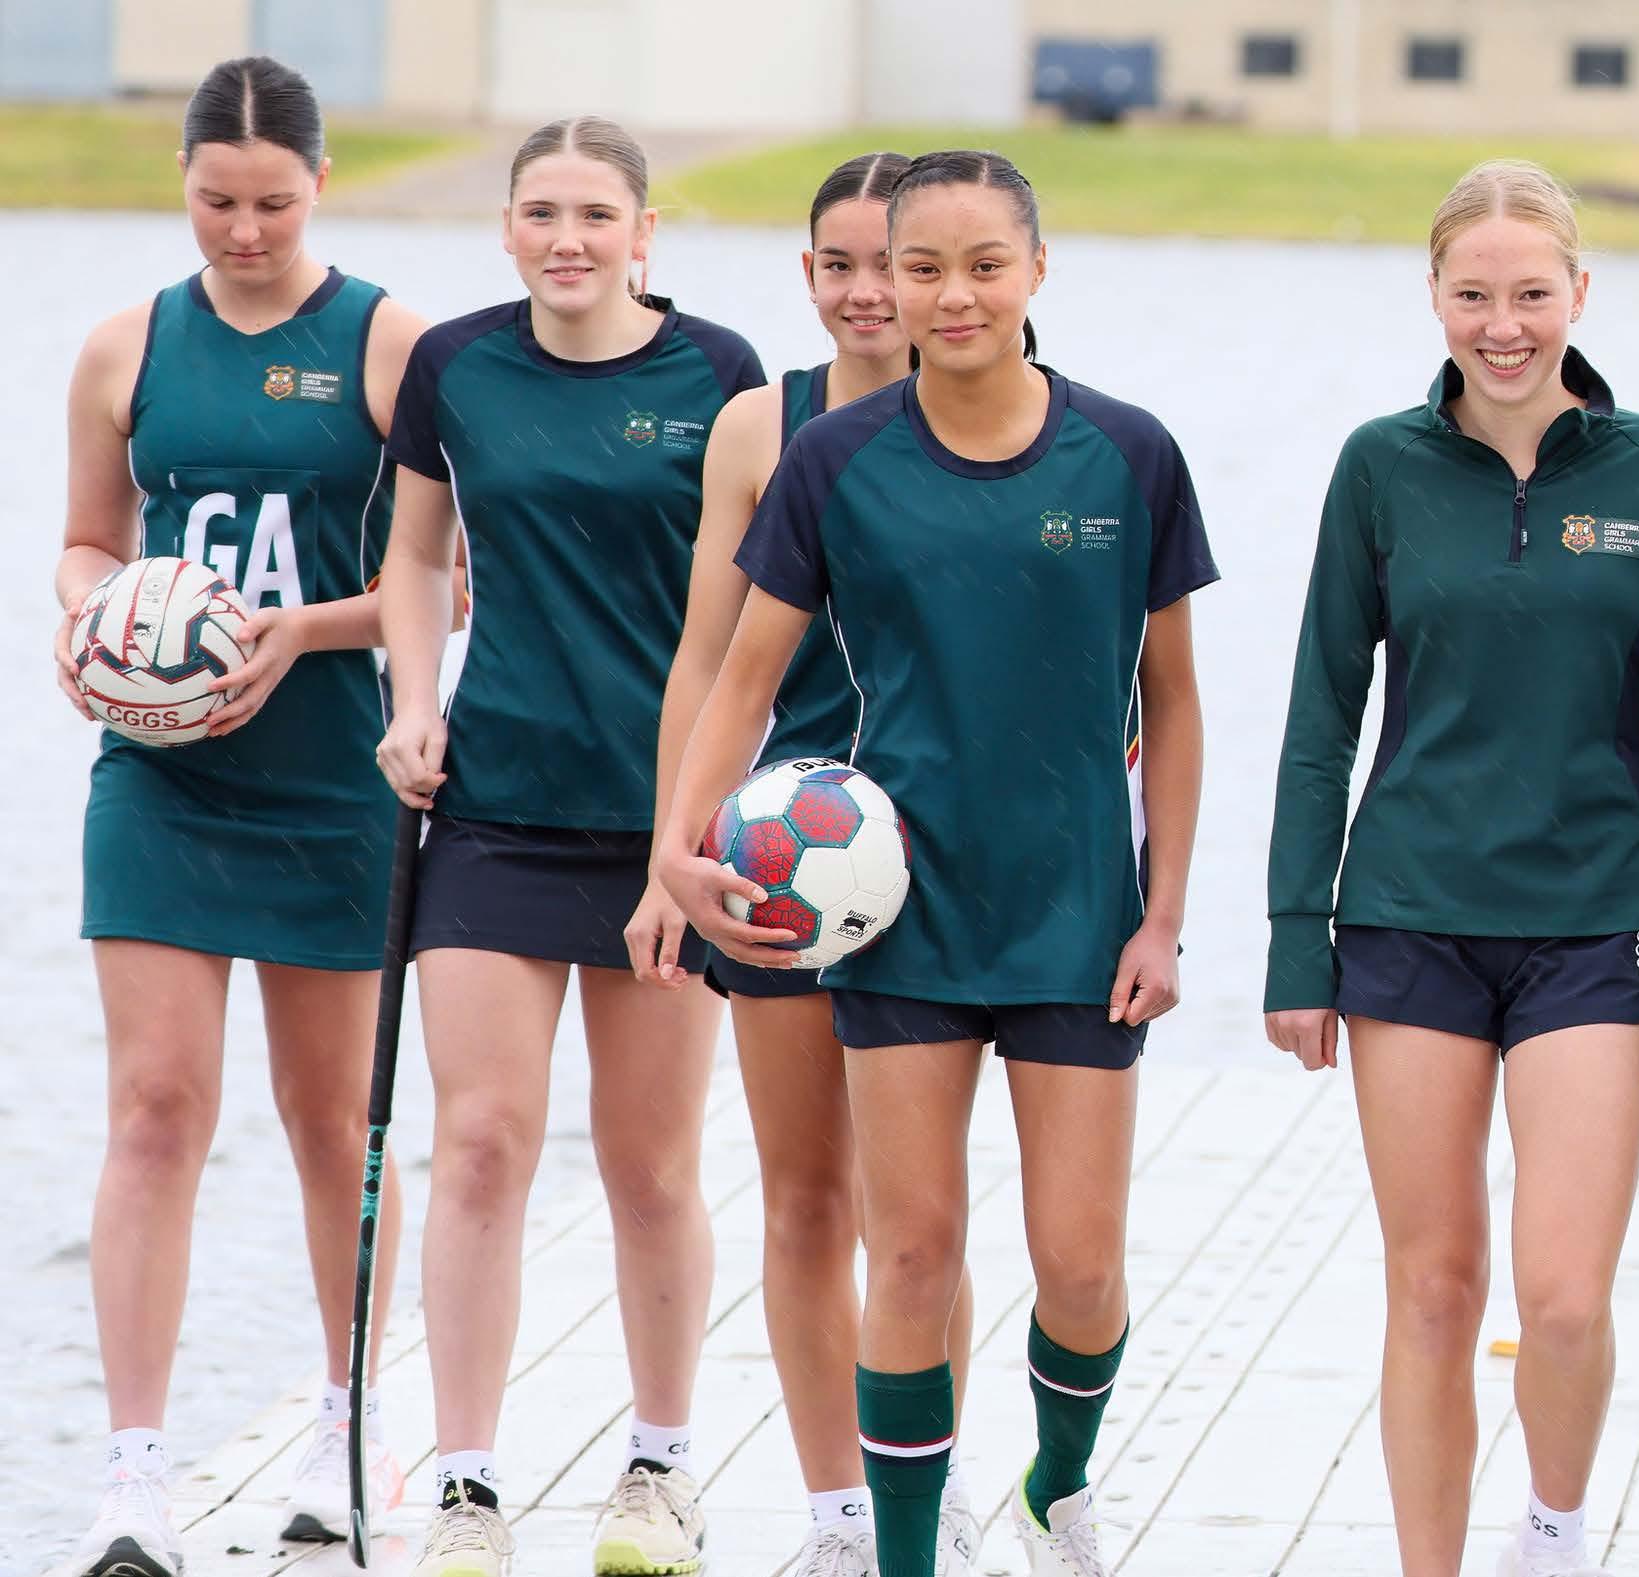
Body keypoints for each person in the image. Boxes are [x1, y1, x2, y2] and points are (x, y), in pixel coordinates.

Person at [653, 150, 1213, 1577]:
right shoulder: (834, 460)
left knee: (1079, 1263)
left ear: (1037, 271)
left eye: (982, 265)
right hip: (899, 909)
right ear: (887, 283)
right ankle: (904, 1558)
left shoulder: (1129, 454)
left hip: (1077, 913)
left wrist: (1162, 914)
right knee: (909, 1250)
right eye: (921, 268)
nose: (952, 295)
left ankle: (1056, 1484)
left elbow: (1175, 702)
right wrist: (678, 850)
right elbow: (743, 676)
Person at [1262, 158, 1639, 1577]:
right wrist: (1294, 940)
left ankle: (1552, 1534)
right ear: (1434, 296)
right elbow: (1320, 718)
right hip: (1408, 917)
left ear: (1580, 293)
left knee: (1564, 1296)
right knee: (1432, 1289)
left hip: (1594, 920)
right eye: (1473, 295)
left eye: (1531, 295)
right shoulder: (1380, 467)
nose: (1502, 325)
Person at [373, 115, 765, 1577]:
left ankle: (660, 1467)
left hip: (665, 827)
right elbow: (417, 556)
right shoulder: (454, 366)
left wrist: (705, 815)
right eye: (541, 212)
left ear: (644, 233)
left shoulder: (719, 373)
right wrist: (415, 702)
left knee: (649, 1161)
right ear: (507, 228)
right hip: (492, 807)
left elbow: (756, 609)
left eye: (597, 214)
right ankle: (466, 1485)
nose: (568, 239)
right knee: (482, 1139)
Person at [52, 54, 423, 1573]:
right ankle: (133, 1475)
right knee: (155, 1108)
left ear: (321, 183)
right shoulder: (126, 344)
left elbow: (438, 578)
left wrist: (295, 633)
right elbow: (87, 541)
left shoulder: (388, 341)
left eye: (274, 202)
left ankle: (346, 1427)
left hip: (334, 775)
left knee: (333, 1121)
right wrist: (96, 622)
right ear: (185, 183)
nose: (246, 230)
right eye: (218, 202)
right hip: (161, 773)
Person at [626, 150, 982, 1577]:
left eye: (889, 263)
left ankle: (931, 1486)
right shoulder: (755, 427)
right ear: (810, 274)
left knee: (920, 1213)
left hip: (942, 857)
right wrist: (672, 856)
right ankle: (839, 1510)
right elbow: (707, 661)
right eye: (838, 265)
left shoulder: (998, 415)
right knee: (806, 1194)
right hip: (781, 855)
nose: (866, 292)